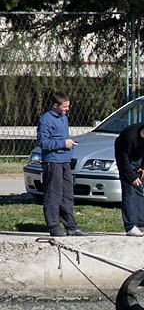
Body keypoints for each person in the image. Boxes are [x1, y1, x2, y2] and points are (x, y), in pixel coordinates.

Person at [37, 91, 87, 237]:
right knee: (54, 195)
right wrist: (63, 143)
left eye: (68, 106)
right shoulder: (46, 120)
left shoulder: (63, 117)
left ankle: (71, 226)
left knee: (67, 194)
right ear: (55, 105)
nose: (67, 109)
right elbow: (44, 143)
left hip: (65, 161)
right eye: (65, 107)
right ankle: (53, 226)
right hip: (53, 162)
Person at [114, 118, 144, 237]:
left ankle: (143, 224)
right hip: (125, 158)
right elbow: (122, 158)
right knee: (129, 192)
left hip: (138, 158)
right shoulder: (130, 136)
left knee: (140, 190)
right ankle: (130, 226)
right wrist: (131, 176)